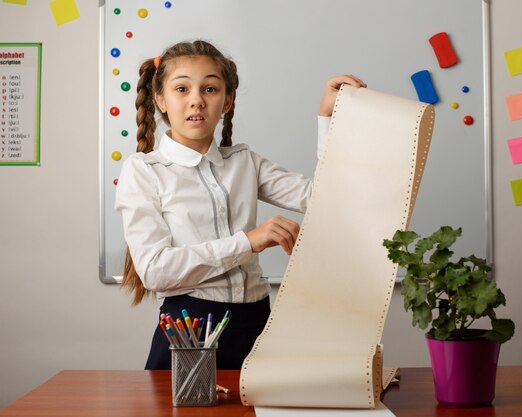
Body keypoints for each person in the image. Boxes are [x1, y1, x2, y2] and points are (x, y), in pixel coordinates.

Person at [115, 39, 366, 370]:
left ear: (228, 101)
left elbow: (326, 199)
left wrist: (328, 118)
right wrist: (248, 242)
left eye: (210, 89)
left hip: (255, 323)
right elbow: (155, 271)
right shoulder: (144, 171)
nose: (196, 101)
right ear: (160, 99)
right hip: (189, 327)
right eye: (181, 89)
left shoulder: (245, 162)